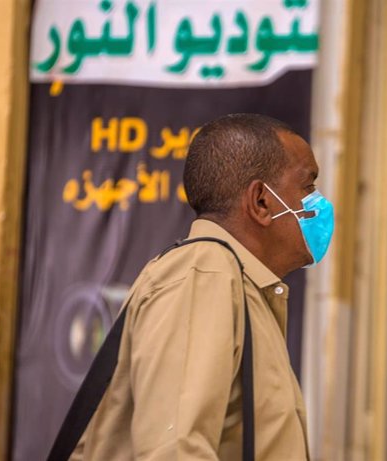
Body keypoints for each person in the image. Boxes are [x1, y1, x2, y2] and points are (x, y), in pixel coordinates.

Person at [67, 113, 334, 460]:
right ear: (262, 202)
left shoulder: (238, 285)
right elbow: (174, 449)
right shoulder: (204, 275)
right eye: (308, 186)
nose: (319, 203)